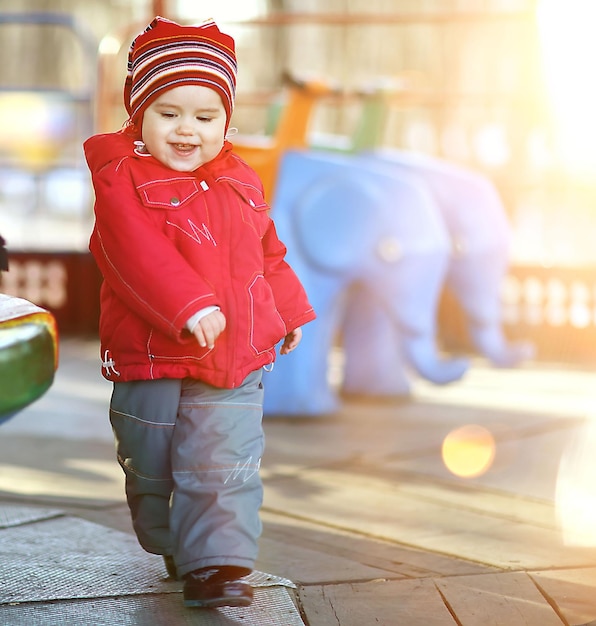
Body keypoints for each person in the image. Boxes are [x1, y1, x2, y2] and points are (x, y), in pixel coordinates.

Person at [84, 16, 315, 609]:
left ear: (225, 121)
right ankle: (178, 543)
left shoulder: (239, 178)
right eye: (170, 114)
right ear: (140, 115)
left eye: (205, 117)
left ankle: (217, 565)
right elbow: (133, 252)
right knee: (155, 470)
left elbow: (267, 250)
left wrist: (284, 311)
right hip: (154, 359)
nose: (188, 130)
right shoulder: (123, 179)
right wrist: (189, 305)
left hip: (233, 356)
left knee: (223, 460)